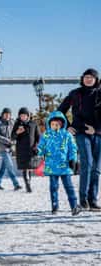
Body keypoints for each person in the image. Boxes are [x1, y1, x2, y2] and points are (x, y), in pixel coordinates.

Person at [58, 68, 101, 211]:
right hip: (81, 132)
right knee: (87, 164)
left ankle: (93, 200)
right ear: (82, 79)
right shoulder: (75, 94)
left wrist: (97, 130)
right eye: (86, 77)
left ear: (96, 79)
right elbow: (60, 111)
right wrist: (67, 126)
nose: (88, 79)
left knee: (96, 168)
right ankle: (83, 200)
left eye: (91, 77)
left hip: (98, 134)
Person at [37, 111, 81, 216]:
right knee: (53, 187)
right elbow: (41, 147)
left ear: (62, 124)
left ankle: (74, 206)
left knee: (69, 187)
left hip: (65, 166)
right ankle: (55, 206)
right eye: (52, 124)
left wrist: (72, 159)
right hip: (52, 167)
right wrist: (37, 151)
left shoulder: (67, 135)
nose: (55, 126)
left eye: (57, 124)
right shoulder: (46, 135)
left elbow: (73, 148)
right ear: (49, 124)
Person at [11, 107, 40, 193]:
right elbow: (12, 136)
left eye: (24, 115)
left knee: (30, 167)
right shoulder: (17, 124)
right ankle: (27, 184)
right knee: (24, 168)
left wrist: (36, 145)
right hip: (21, 149)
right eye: (21, 115)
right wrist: (17, 132)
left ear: (28, 116)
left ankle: (29, 182)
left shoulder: (33, 124)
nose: (22, 117)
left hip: (31, 149)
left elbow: (38, 136)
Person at [0, 108, 22, 191]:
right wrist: (8, 141)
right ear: (2, 114)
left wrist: (14, 141)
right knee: (10, 165)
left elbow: (15, 133)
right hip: (2, 148)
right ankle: (16, 184)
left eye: (9, 114)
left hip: (10, 148)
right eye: (6, 114)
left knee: (4, 167)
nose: (7, 116)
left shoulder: (12, 123)